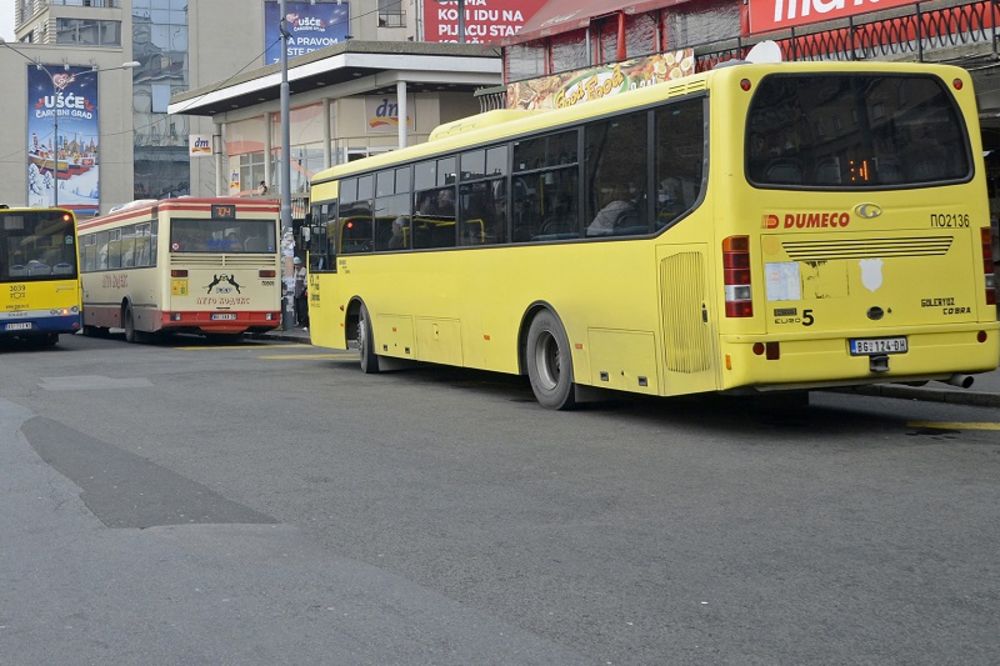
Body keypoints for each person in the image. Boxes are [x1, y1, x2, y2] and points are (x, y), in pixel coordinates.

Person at [293, 256, 308, 327]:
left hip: (302, 291)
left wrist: (303, 289)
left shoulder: (304, 271)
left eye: (297, 264)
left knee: (303, 309)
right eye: (295, 265)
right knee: (298, 309)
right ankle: (299, 322)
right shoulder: (295, 271)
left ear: (300, 264)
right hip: (296, 292)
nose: (296, 266)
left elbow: (306, 283)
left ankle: (304, 323)